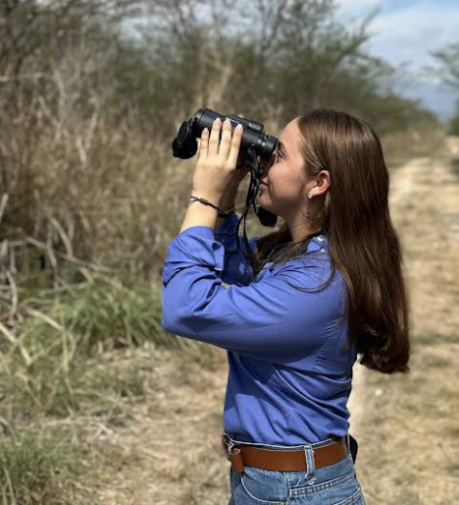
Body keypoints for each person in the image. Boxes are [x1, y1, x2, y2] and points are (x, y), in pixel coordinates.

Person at [161, 109, 411, 504]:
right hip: (280, 483)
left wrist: (204, 197)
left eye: (278, 156)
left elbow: (186, 306)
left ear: (319, 183)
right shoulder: (308, 257)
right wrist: (226, 205)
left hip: (293, 491)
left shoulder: (315, 284)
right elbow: (239, 270)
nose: (264, 164)